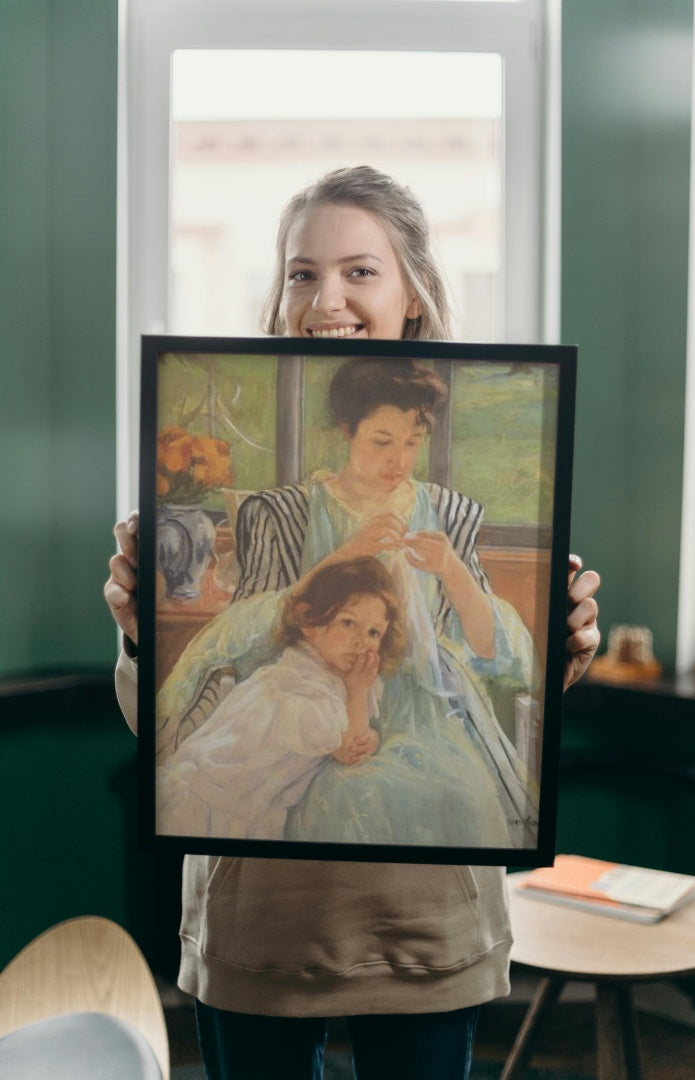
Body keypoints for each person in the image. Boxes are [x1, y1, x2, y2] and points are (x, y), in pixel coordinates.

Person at [106, 165, 601, 1080]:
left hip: (422, 908)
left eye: (359, 271)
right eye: (301, 272)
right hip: (263, 909)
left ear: (412, 293)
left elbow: (501, 671)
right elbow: (204, 697)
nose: (324, 297)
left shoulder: (451, 516)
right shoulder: (277, 515)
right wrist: (141, 633)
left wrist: (559, 640)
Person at [159, 356, 539, 850]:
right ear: (347, 430)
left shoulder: (446, 513)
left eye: (412, 443)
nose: (398, 461)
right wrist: (341, 557)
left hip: (423, 712)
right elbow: (250, 637)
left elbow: (493, 651)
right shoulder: (289, 513)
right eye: (382, 441)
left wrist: (452, 571)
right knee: (345, 802)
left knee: (458, 797)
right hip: (320, 711)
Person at [156, 556, 403, 840]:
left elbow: (355, 735)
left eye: (374, 632)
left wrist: (368, 731)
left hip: (240, 807)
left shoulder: (334, 676)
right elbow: (348, 750)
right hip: (209, 807)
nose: (361, 641)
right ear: (309, 622)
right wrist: (358, 694)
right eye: (348, 623)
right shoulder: (299, 683)